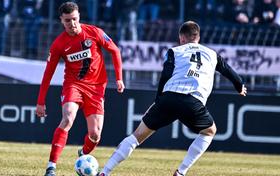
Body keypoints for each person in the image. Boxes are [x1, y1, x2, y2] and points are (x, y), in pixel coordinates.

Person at [98, 21, 247, 176]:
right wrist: (239, 85)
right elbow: (227, 70)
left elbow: (165, 76)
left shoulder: (174, 51)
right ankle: (181, 172)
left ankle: (105, 172)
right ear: (198, 37)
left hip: (169, 98)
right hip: (193, 101)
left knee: (136, 137)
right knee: (209, 131)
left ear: (181, 38)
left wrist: (158, 100)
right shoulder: (212, 54)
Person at [35, 2, 125, 176]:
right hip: (73, 85)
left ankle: (83, 155)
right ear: (61, 20)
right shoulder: (59, 44)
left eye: (74, 19)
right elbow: (48, 73)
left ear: (79, 17)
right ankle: (51, 167)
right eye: (68, 20)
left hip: (97, 87)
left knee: (95, 135)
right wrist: (40, 102)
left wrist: (119, 78)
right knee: (68, 118)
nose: (72, 23)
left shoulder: (94, 32)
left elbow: (115, 51)